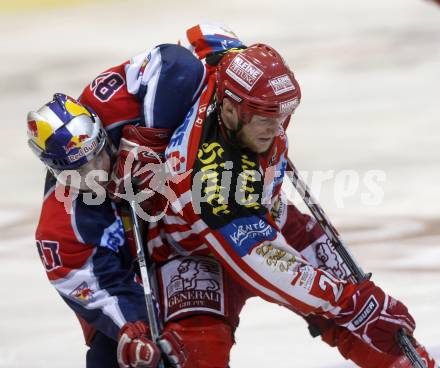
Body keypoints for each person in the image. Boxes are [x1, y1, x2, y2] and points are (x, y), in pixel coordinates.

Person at [111, 43, 437, 367]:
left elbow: (209, 39)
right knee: (199, 355)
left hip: (267, 215)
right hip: (192, 252)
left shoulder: (223, 75)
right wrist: (351, 304)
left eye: (283, 113)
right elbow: (270, 266)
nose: (278, 127)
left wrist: (220, 46)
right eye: (266, 116)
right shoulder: (210, 185)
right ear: (229, 109)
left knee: (378, 331)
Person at [27, 24, 246, 368]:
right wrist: (134, 327)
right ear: (54, 170)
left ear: (100, 130)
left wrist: (149, 139)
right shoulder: (59, 226)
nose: (96, 175)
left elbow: (177, 64)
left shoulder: (109, 103)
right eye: (79, 172)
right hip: (137, 281)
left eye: (98, 155)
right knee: (115, 358)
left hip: (187, 238)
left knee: (201, 343)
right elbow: (97, 289)